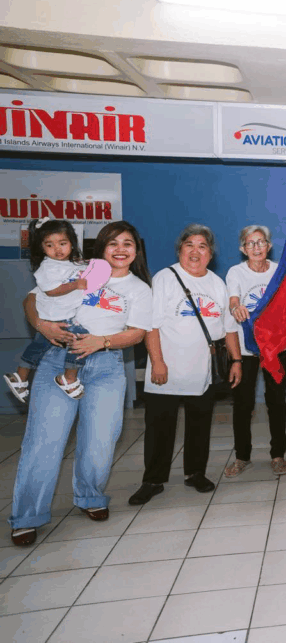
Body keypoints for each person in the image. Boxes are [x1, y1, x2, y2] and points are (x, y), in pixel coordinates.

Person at [10, 221, 153, 545]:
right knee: (43, 442)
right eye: (113, 243)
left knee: (100, 442)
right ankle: (27, 516)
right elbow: (31, 301)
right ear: (100, 248)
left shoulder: (139, 288)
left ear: (136, 250)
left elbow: (137, 332)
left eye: (127, 243)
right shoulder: (76, 270)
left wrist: (100, 342)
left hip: (106, 368)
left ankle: (89, 497)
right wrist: (42, 326)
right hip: (55, 361)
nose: (120, 249)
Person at [128, 225, 242, 506]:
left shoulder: (217, 283)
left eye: (202, 246)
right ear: (179, 249)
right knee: (159, 428)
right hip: (165, 370)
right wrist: (157, 362)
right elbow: (150, 326)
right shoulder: (166, 278)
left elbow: (228, 328)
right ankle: (153, 480)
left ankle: (195, 473)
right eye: (189, 244)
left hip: (202, 371)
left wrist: (237, 360)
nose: (195, 251)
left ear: (210, 253)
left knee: (200, 426)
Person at [223, 225, 286, 478]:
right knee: (243, 404)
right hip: (247, 349)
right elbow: (233, 299)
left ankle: (278, 455)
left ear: (269, 246)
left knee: (276, 402)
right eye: (250, 243)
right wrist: (236, 306)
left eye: (261, 242)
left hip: (276, 348)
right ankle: (242, 456)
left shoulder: (279, 271)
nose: (256, 248)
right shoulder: (236, 272)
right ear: (242, 249)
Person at [5, 218, 92, 402]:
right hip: (56, 319)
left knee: (37, 348)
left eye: (63, 243)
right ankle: (68, 378)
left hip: (62, 317)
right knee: (80, 341)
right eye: (50, 245)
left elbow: (83, 269)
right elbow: (51, 291)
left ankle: (20, 377)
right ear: (42, 247)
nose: (58, 249)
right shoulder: (47, 267)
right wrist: (76, 285)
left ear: (72, 243)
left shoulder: (70, 264)